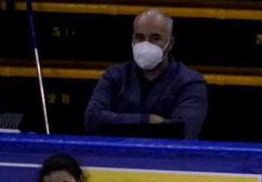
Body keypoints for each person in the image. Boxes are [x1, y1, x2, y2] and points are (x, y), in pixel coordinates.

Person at [84, 9, 208, 140]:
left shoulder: (191, 82)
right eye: (140, 37)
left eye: (155, 38)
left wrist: (120, 123)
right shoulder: (114, 76)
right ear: (133, 40)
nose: (146, 44)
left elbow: (183, 130)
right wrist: (147, 119)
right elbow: (92, 119)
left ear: (170, 43)